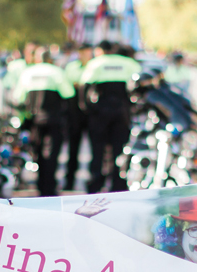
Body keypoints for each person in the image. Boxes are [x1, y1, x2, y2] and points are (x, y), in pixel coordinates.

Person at [79, 41, 140, 193]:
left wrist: (87, 108)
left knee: (97, 150)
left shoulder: (96, 63)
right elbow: (139, 84)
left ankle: (95, 184)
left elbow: (84, 87)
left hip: (101, 112)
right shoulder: (128, 63)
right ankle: (118, 185)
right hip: (122, 112)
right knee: (119, 149)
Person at [12, 47, 74, 196]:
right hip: (54, 119)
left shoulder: (28, 73)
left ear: (37, 58)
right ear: (50, 59)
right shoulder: (56, 72)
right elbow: (69, 94)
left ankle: (40, 184)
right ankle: (50, 185)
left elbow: (18, 98)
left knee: (37, 152)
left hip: (34, 121)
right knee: (52, 153)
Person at [61, 44, 92, 192]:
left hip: (92, 114)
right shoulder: (72, 67)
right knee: (73, 149)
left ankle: (93, 183)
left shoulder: (95, 66)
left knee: (97, 150)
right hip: (74, 112)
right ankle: (69, 181)